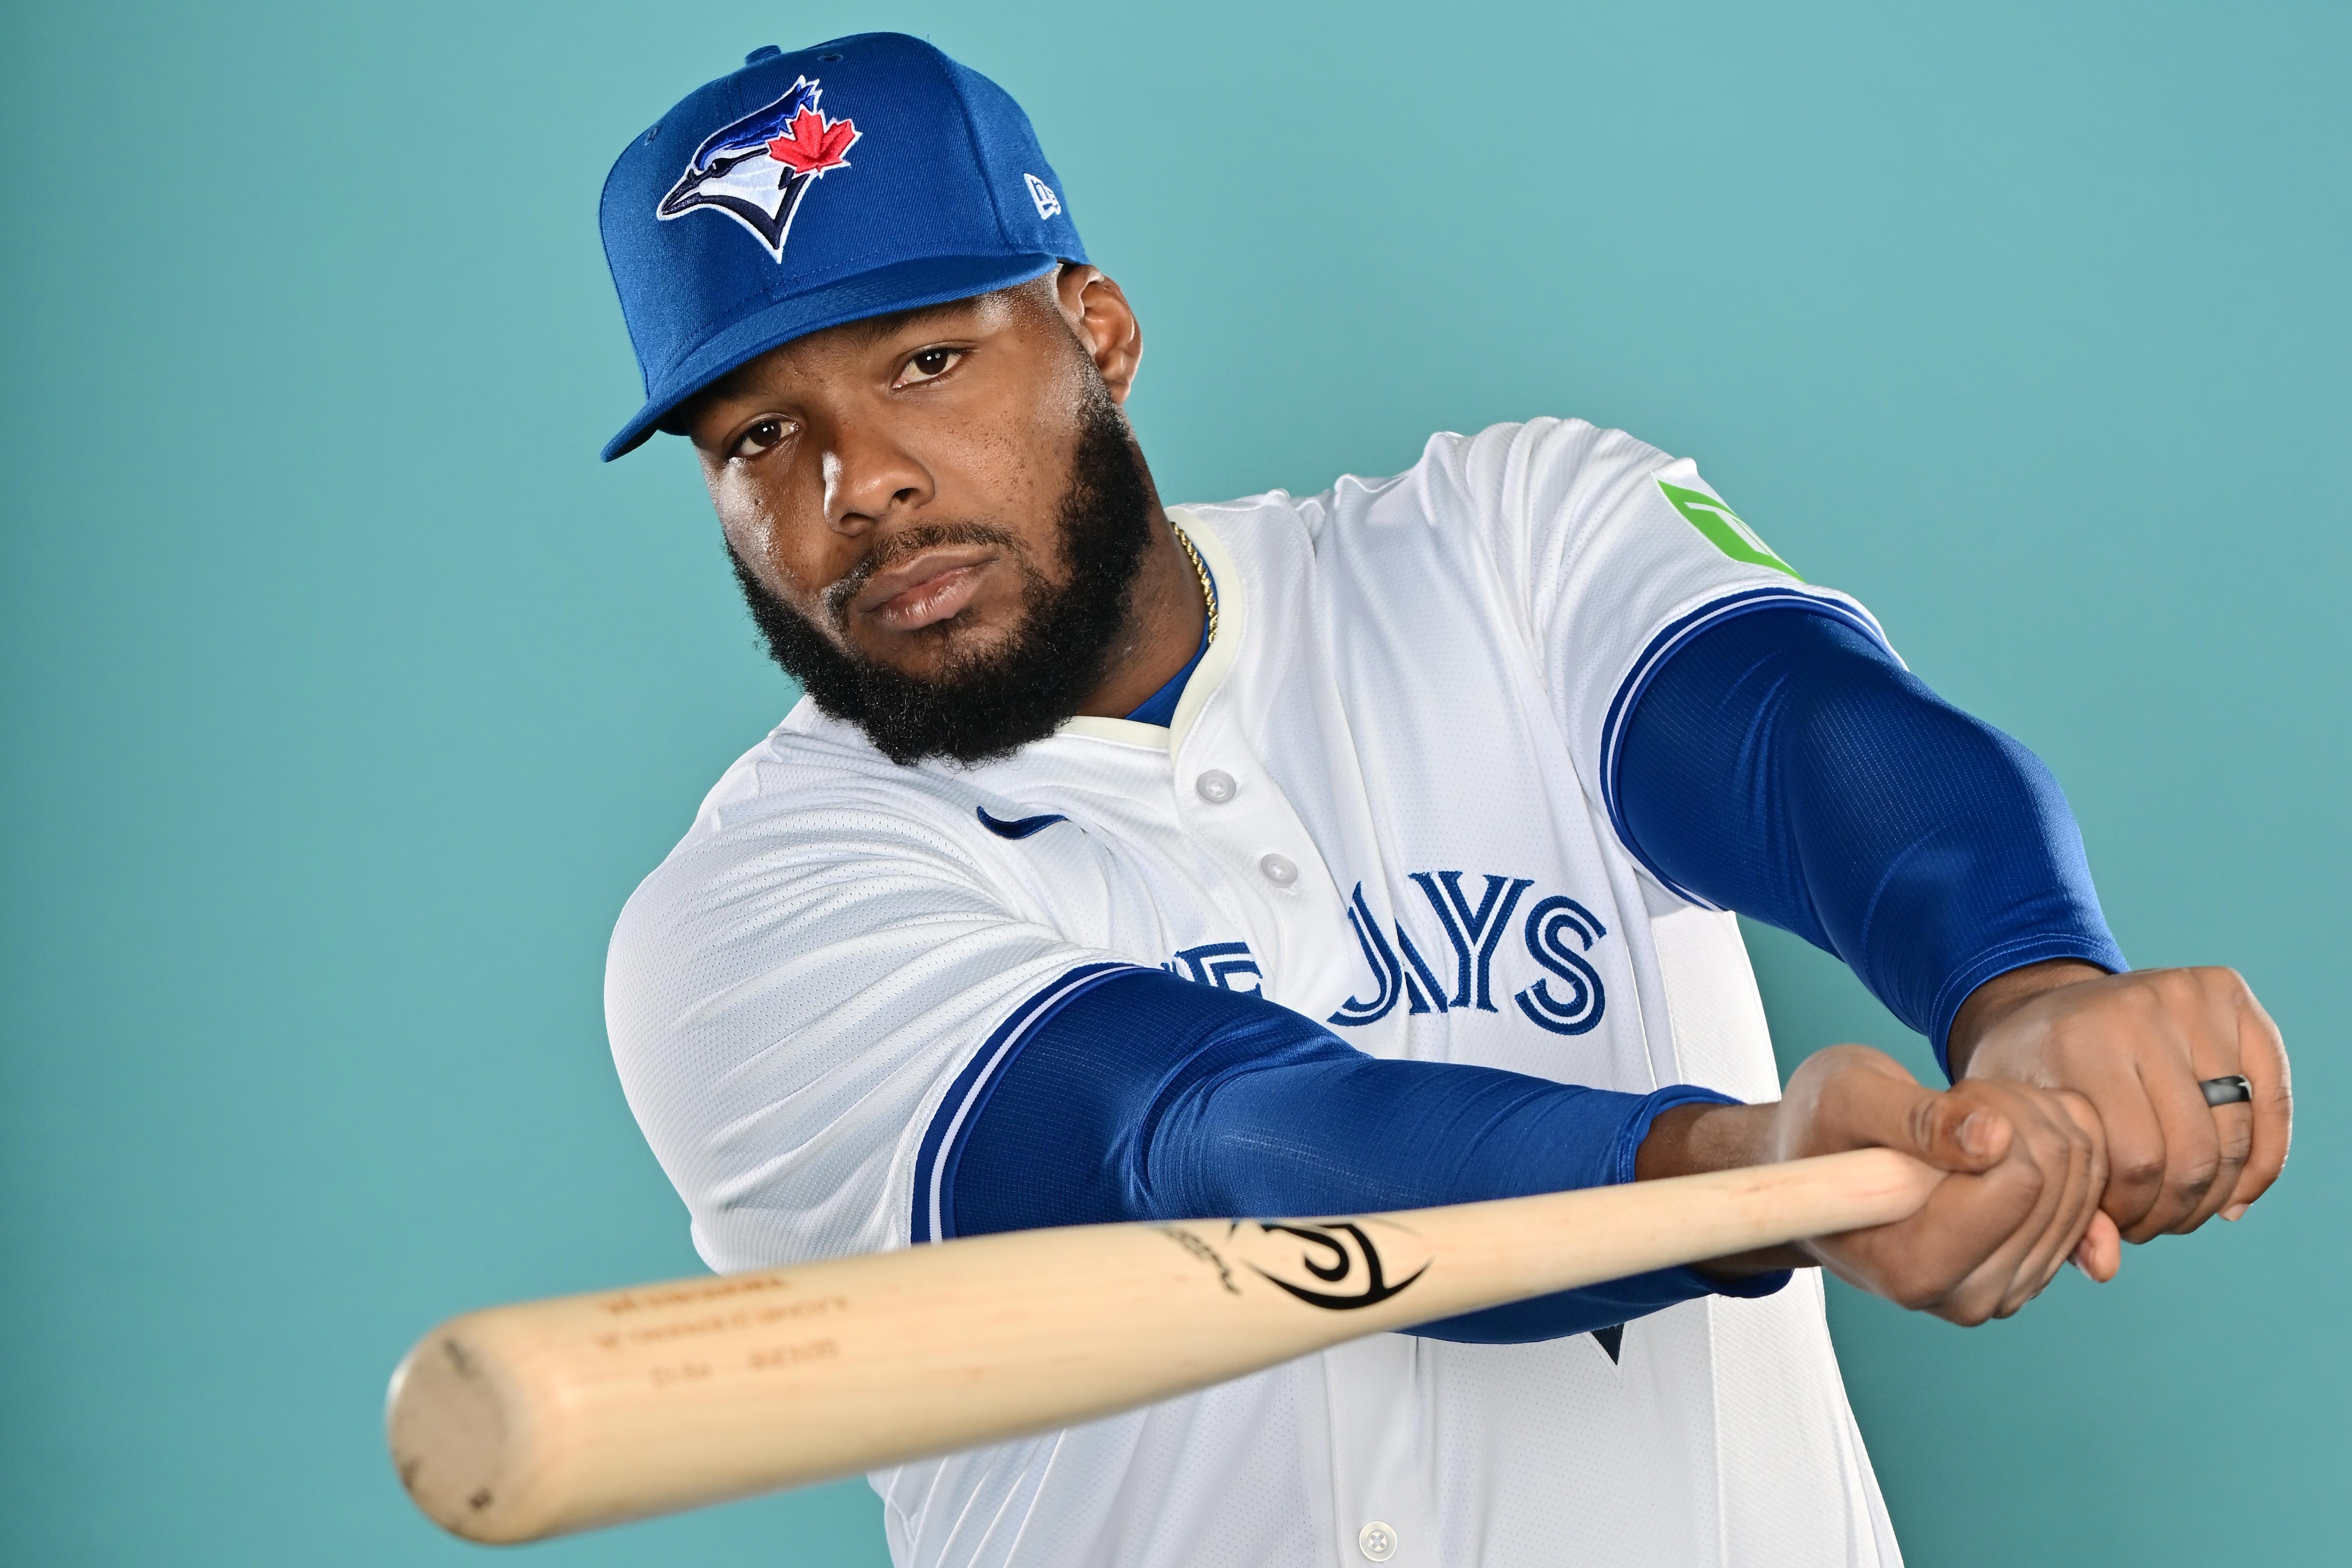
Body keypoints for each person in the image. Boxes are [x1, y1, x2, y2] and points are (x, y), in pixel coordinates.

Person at [594, 33, 2290, 1568]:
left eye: (925, 365)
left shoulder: (1501, 543)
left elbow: (1801, 737)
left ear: (1095, 331)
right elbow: (1206, 1143)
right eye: (758, 437)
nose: (857, 483)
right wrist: (1743, 1172)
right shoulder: (744, 918)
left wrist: (2030, 981)